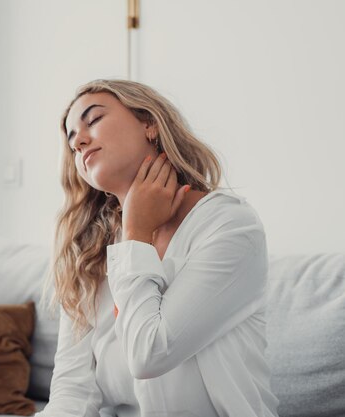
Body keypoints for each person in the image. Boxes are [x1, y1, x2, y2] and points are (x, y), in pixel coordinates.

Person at [36, 79, 280, 417]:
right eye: (72, 140)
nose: (78, 140)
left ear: (149, 123)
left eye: (93, 120)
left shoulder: (229, 225)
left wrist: (136, 234)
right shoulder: (87, 252)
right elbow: (72, 392)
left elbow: (150, 353)